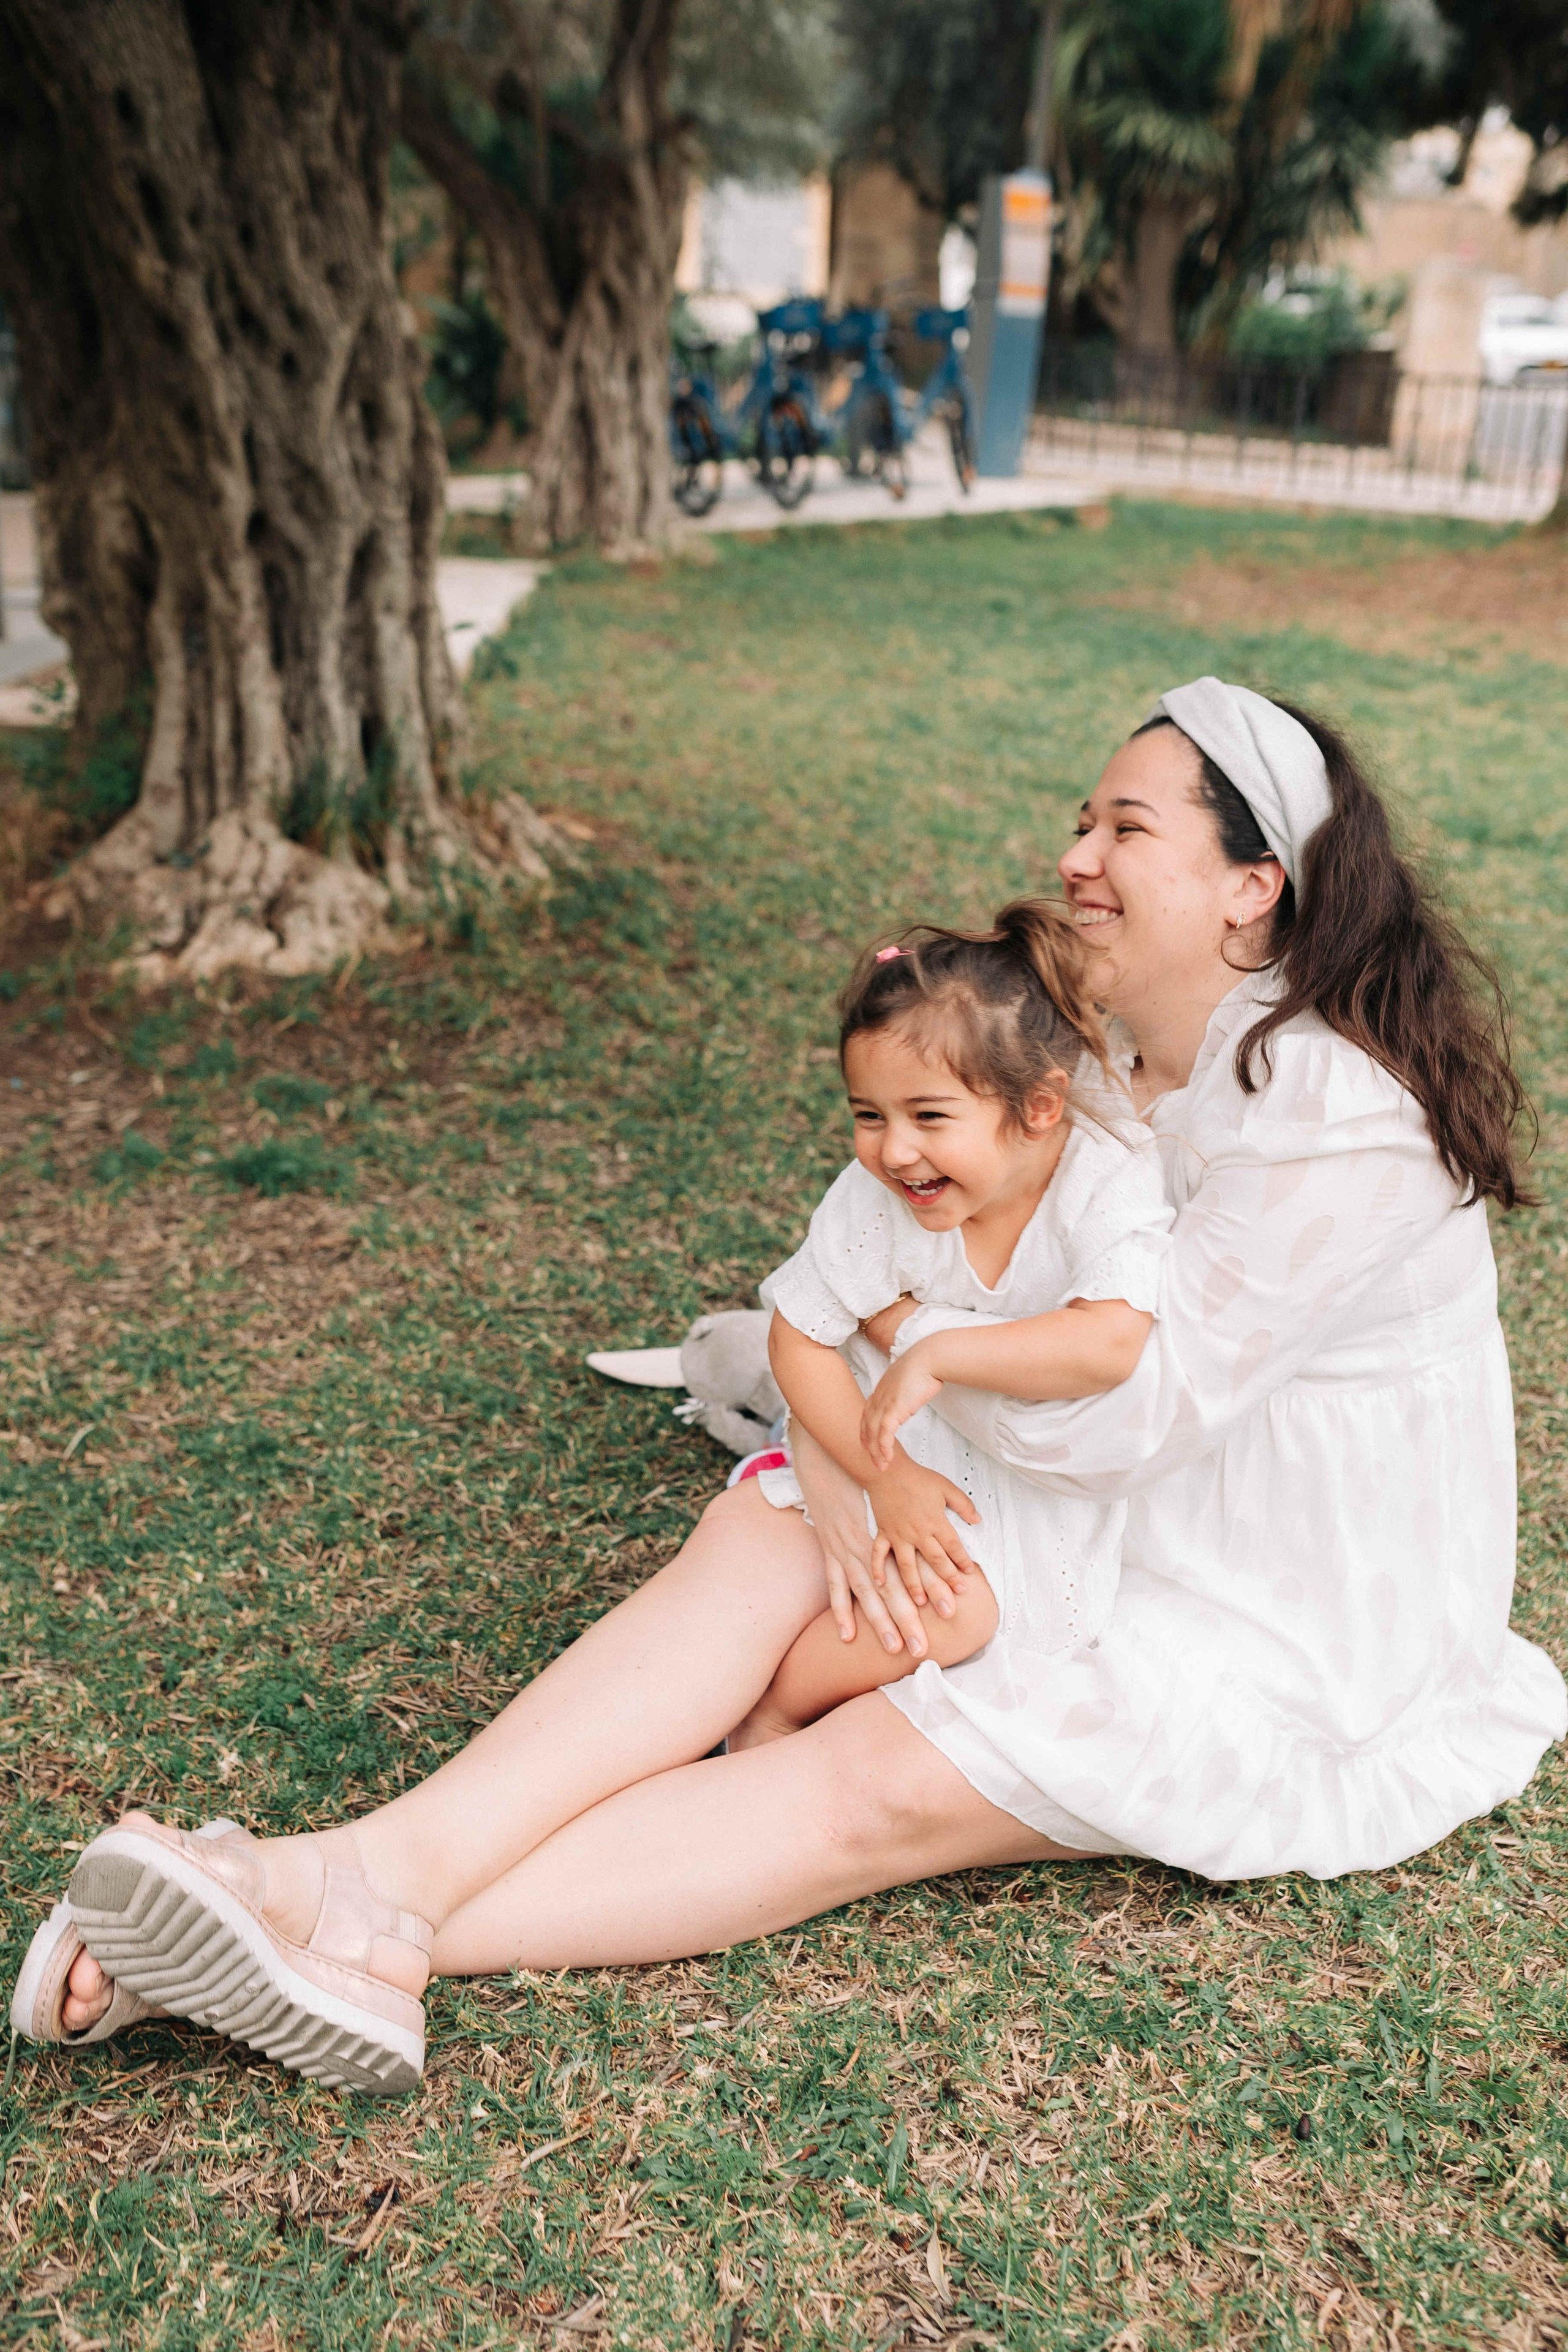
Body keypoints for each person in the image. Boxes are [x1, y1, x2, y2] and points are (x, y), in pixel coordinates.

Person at [18, 678, 1564, 2100]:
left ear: (1253, 887)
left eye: (1125, 827)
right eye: (1080, 820)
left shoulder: (1337, 1120)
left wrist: (886, 1394)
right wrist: (833, 1467)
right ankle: (327, 1884)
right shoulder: (1089, 1048)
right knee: (765, 1539)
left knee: (878, 1780)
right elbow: (886, 1278)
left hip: (1265, 1593)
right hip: (1061, 1486)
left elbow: (1119, 1416)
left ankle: (301, 1920)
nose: (1077, 854)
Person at [731, 898, 1172, 1749]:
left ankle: (791, 1696)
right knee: (951, 1614)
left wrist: (939, 1350)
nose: (893, 1151)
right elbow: (800, 1332)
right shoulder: (880, 1196)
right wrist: (879, 1478)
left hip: (1022, 1460)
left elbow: (1112, 1340)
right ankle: (771, 1712)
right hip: (890, 1447)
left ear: (1040, 1107)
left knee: (974, 1622)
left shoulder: (1104, 1180)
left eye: (928, 1117)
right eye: (869, 1116)